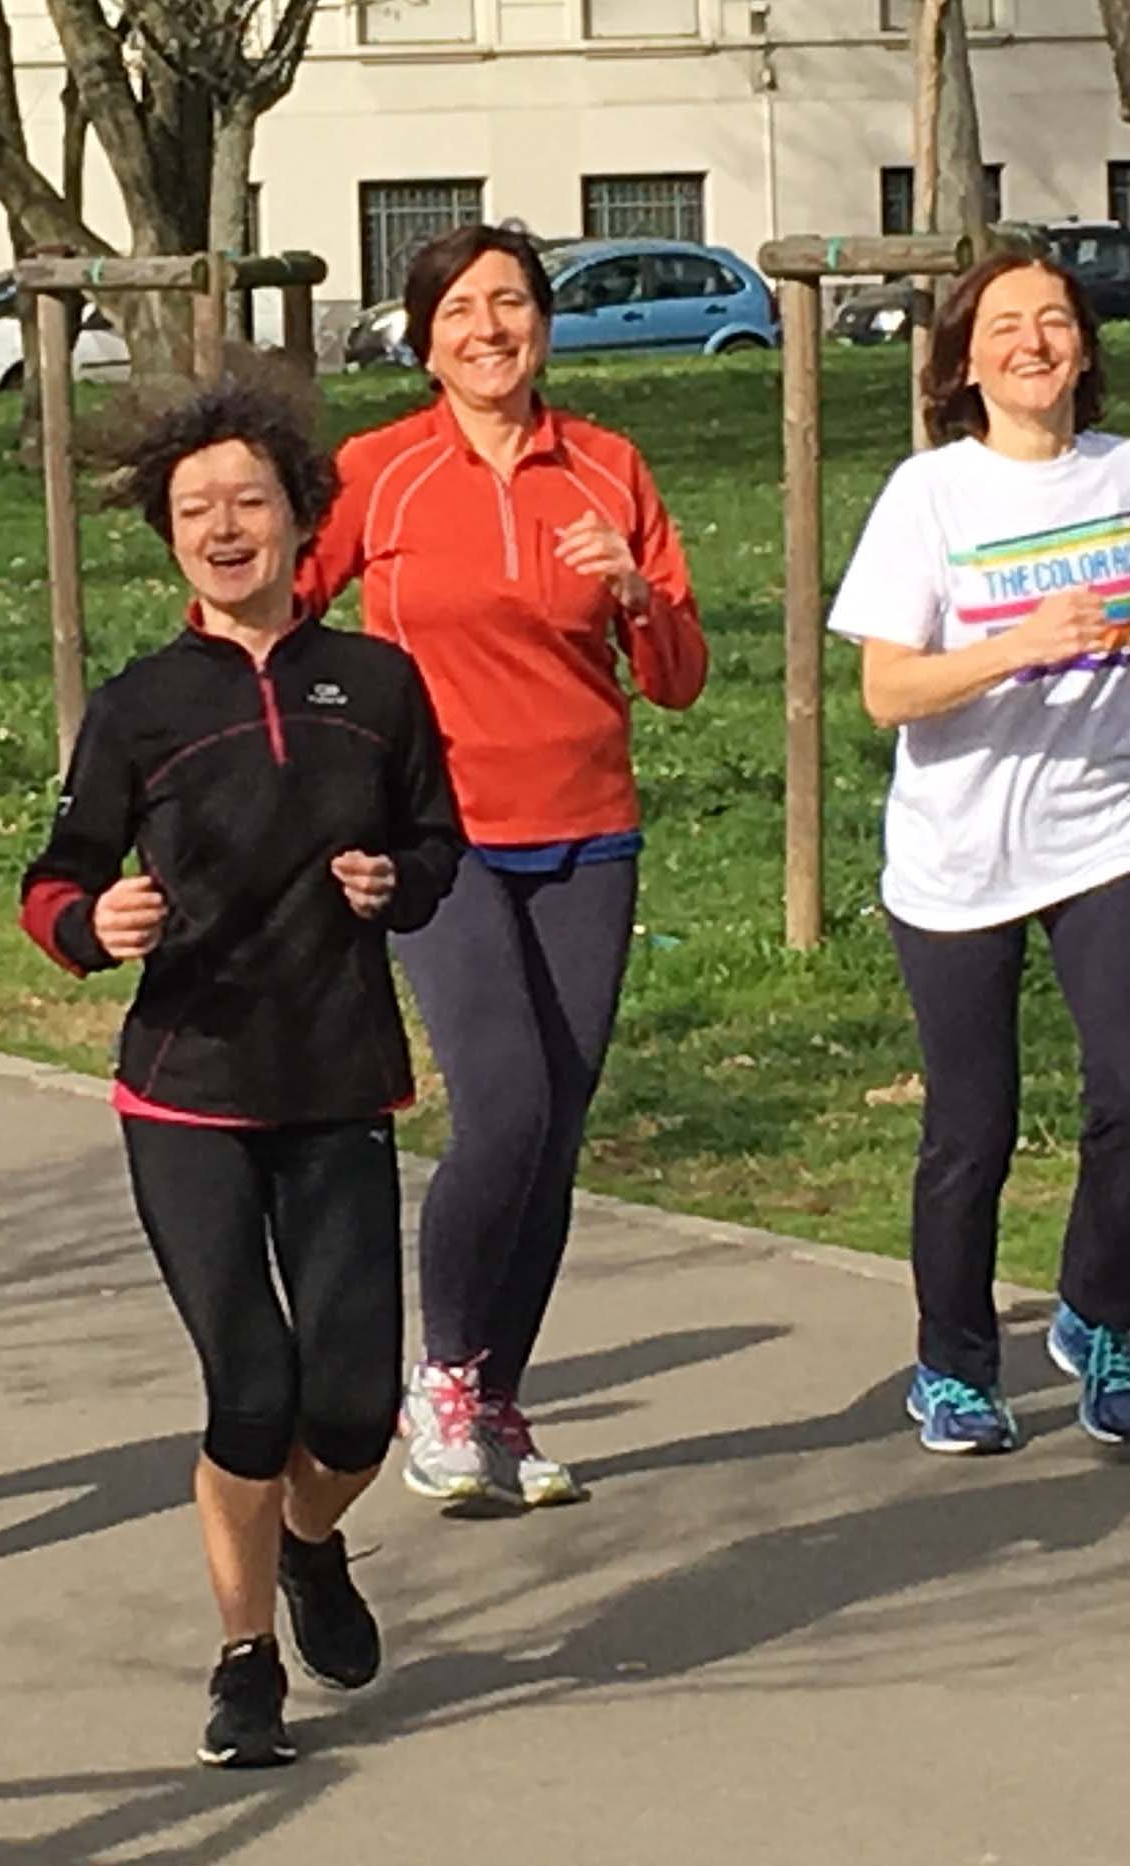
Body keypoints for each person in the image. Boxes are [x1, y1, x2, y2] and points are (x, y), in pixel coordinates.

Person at [18, 368, 466, 1768]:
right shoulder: (143, 705)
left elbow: (441, 849)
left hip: (336, 1078)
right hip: (187, 1087)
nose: (224, 526)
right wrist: (100, 925)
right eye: (195, 507)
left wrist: (397, 878)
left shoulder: (377, 684)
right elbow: (55, 880)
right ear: (169, 536)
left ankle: (314, 1545)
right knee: (252, 1389)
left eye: (249, 502)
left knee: (350, 1404)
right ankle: (242, 1660)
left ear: (297, 519)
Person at [298, 224, 709, 1513]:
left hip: (588, 829)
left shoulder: (606, 467)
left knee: (559, 1131)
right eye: (463, 310)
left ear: (545, 324)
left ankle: (497, 1396)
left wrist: (636, 590)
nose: (491, 329)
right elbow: (277, 612)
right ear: (425, 338)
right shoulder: (381, 471)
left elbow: (680, 679)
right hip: (442, 836)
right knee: (508, 1108)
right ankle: (442, 1378)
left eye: (514, 304)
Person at [825, 252, 1130, 1457]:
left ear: (1085, 349)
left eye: (1054, 322)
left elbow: (1110, 634)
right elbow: (888, 690)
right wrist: (1018, 648)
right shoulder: (928, 496)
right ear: (965, 361)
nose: (1032, 343)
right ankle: (952, 1365)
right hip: (957, 850)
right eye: (1004, 327)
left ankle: (1097, 1317)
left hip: (1101, 826)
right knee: (973, 1127)